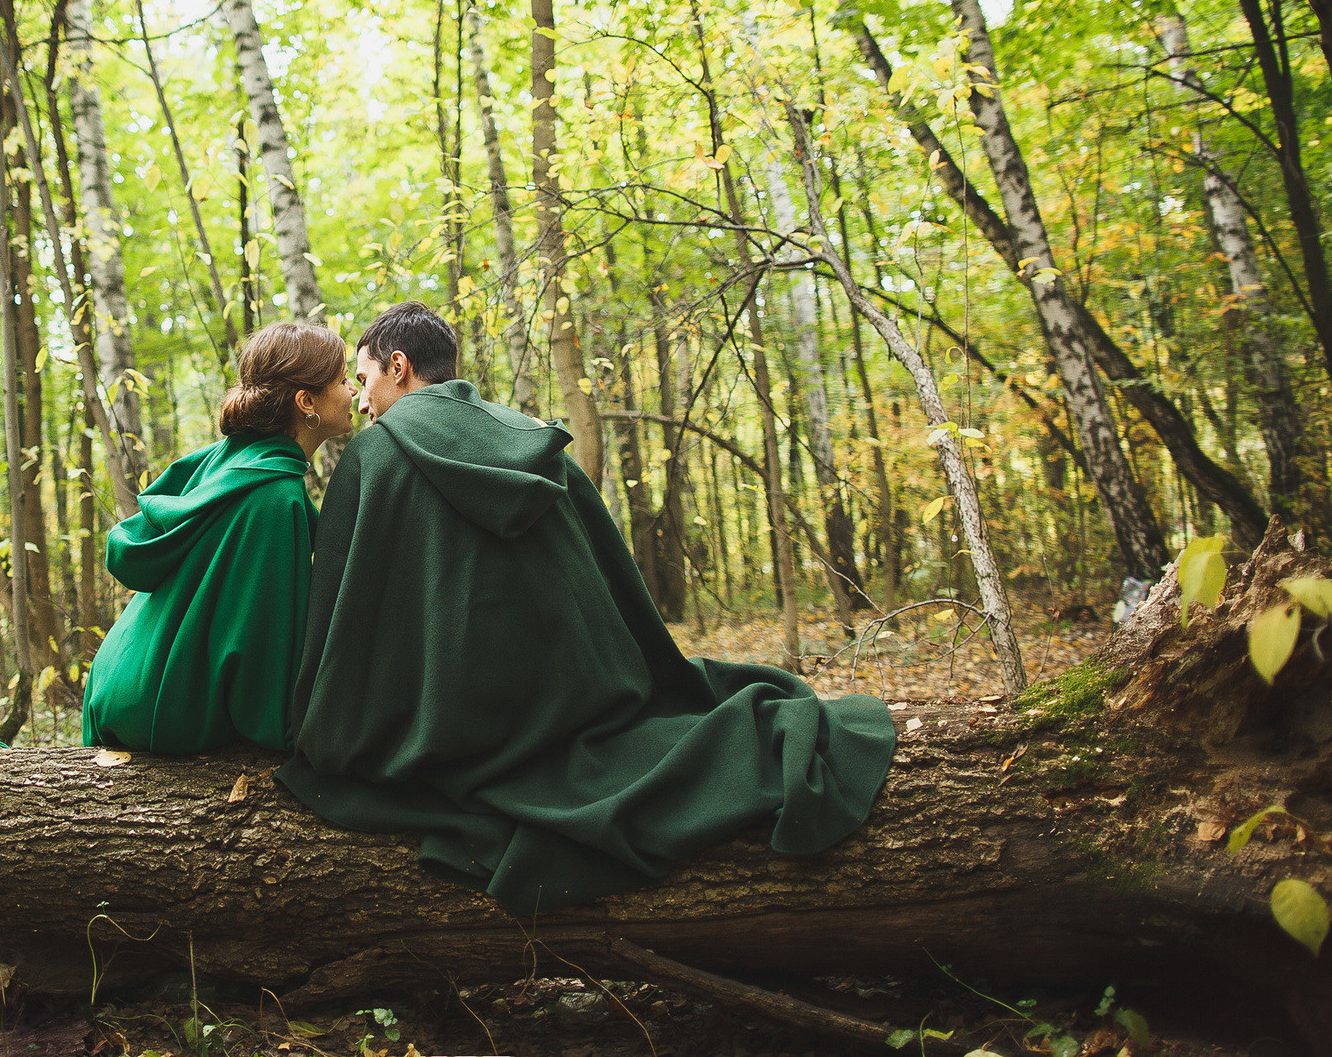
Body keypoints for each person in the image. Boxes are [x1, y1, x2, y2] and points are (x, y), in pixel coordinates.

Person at [278, 301, 897, 915]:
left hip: (443, 733)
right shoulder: (533, 441)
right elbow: (611, 584)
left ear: (400, 366)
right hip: (580, 706)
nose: (360, 401)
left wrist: (319, 725)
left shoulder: (371, 459)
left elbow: (344, 617)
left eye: (363, 381)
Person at [82, 321, 354, 753]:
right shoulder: (275, 499)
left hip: (118, 680)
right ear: (307, 402)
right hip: (165, 706)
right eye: (341, 381)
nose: (353, 391)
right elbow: (258, 650)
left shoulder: (224, 459)